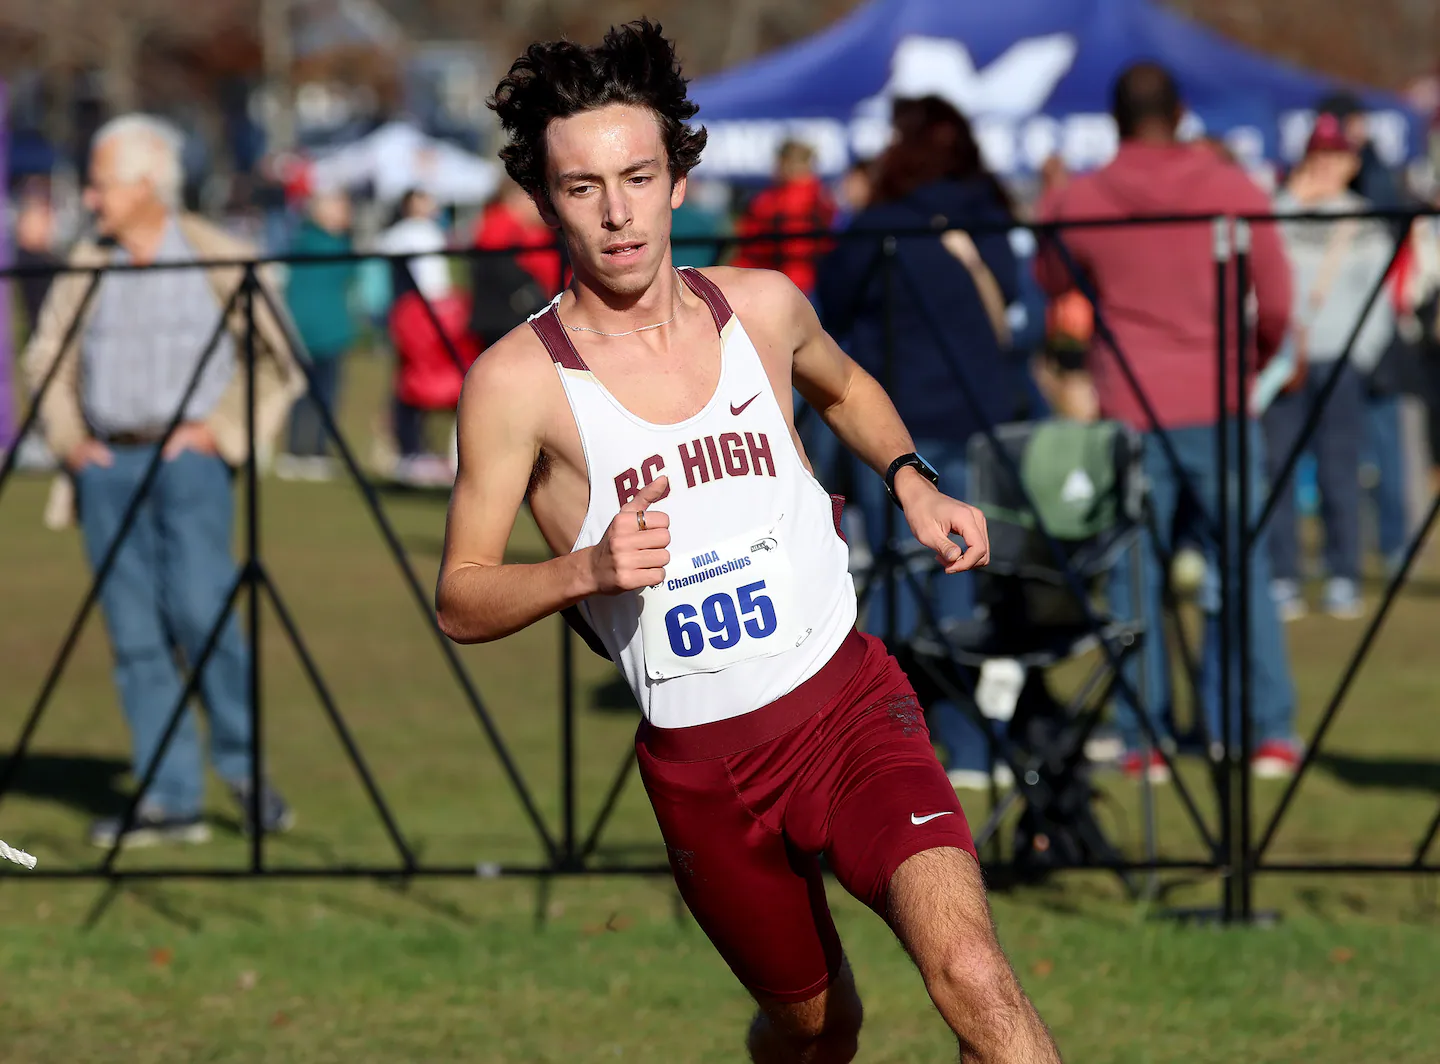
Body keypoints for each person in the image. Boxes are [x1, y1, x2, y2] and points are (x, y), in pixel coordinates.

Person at [437, 21, 1061, 1064]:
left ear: (678, 178)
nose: (616, 210)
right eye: (583, 186)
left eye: (637, 176)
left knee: (976, 976)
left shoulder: (763, 307)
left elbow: (849, 385)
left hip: (850, 703)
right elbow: (461, 596)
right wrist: (583, 570)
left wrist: (912, 479)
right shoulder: (517, 380)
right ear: (548, 203)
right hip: (706, 768)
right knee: (818, 1031)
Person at [23, 114, 302, 846]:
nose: (89, 198)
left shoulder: (219, 256)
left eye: (101, 183)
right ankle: (169, 797)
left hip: (191, 467)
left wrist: (221, 435)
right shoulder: (87, 266)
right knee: (134, 633)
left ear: (148, 186)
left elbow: (278, 362)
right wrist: (71, 441)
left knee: (202, 612)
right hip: (106, 467)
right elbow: (44, 360)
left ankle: (245, 774)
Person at [1034, 62, 1300, 780]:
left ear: (1115, 118)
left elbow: (1051, 280)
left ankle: (1142, 741)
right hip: (1220, 400)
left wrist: (1054, 195)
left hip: (1131, 407)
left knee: (1134, 579)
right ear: (1180, 112)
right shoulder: (1231, 187)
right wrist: (1256, 361)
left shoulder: (1084, 197)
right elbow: (1275, 299)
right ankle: (1261, 732)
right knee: (1242, 570)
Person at [816, 94, 1023, 791]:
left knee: (903, 587)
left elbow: (829, 308)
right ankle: (965, 744)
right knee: (966, 587)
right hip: (975, 418)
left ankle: (905, 747)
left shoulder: (880, 223)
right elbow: (1015, 294)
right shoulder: (985, 216)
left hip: (898, 429)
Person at [1267, 113, 1397, 619]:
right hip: (1284, 364)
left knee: (1340, 470)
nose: (1325, 165)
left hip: (1341, 363)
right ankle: (1285, 575)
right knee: (1276, 468)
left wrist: (1358, 357)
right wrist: (1289, 198)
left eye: (1334, 156)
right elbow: (1258, 266)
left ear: (1350, 162)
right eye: (1317, 155)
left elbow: (1381, 301)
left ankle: (1344, 573)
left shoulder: (1362, 220)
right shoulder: (1278, 212)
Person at [376, 188, 479, 484]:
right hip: (421, 315)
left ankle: (417, 449)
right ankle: (409, 449)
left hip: (438, 313)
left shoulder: (431, 231)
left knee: (429, 379)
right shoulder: (407, 232)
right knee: (416, 380)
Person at [277, 187, 359, 481]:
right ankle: (309, 452)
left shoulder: (301, 240)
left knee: (309, 394)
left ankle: (303, 451)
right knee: (320, 394)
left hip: (312, 328)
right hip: (320, 330)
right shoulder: (333, 245)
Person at [730, 139, 836, 297]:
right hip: (801, 282)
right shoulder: (821, 196)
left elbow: (750, 243)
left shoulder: (778, 200)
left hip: (783, 283)